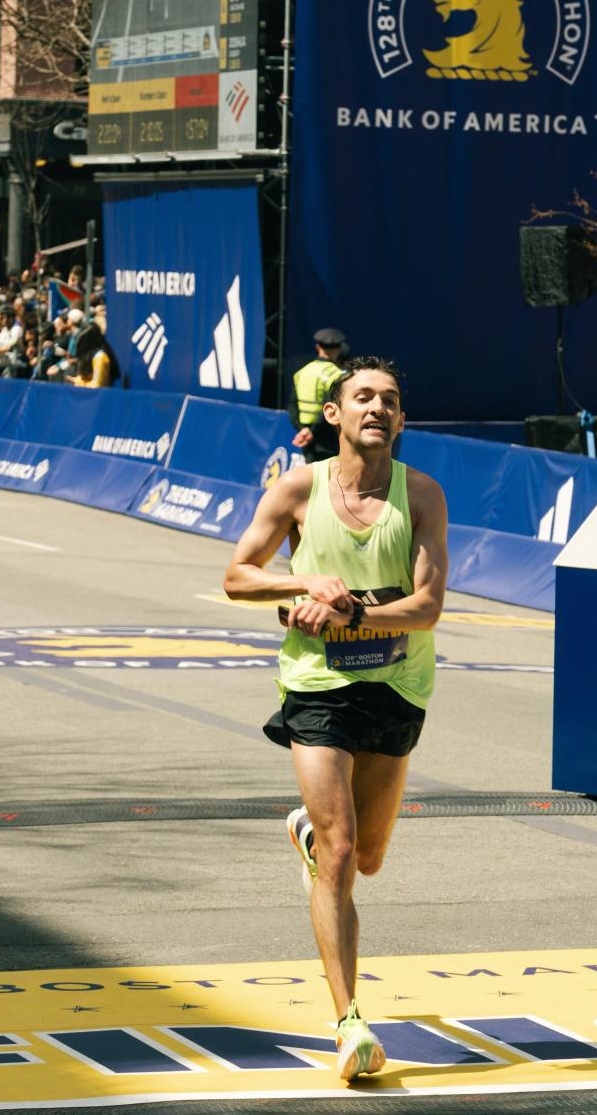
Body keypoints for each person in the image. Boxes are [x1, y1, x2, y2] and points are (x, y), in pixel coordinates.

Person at [223, 357, 448, 1082]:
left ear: (402, 420)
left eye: (390, 399)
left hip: (397, 687)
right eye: (362, 398)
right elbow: (237, 576)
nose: (377, 408)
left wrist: (354, 612)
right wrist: (303, 581)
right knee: (343, 852)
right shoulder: (298, 488)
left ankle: (308, 836)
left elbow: (429, 605)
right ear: (335, 416)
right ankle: (350, 1023)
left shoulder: (422, 495)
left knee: (371, 857)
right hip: (316, 687)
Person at [290, 328, 350, 463]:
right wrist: (313, 432)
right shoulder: (337, 375)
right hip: (328, 436)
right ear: (339, 349)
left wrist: (303, 429)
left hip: (306, 435)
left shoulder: (302, 372)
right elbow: (330, 407)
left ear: (318, 347)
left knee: (313, 476)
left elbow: (293, 405)